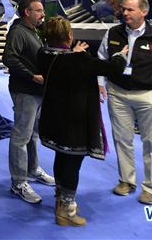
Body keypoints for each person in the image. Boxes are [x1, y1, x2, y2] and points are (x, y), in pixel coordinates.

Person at [38, 17, 128, 226]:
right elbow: (113, 69)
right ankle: (66, 211)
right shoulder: (79, 60)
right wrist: (120, 55)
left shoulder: (44, 54)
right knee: (72, 163)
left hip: (54, 118)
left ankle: (60, 199)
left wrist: (75, 53)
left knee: (61, 157)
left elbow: (64, 62)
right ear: (69, 36)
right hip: (74, 122)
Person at [97, 0, 152, 205]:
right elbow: (101, 58)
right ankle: (126, 181)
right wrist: (100, 81)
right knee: (122, 140)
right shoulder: (113, 33)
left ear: (143, 12)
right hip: (117, 93)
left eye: (130, 10)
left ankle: (151, 188)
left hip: (148, 96)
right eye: (123, 9)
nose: (124, 13)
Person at [2, 0, 55, 204]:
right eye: (39, 10)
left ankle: (32, 170)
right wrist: (32, 76)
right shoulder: (18, 32)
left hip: (36, 92)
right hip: (25, 91)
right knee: (21, 137)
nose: (43, 14)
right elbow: (9, 58)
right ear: (27, 12)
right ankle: (18, 183)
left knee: (32, 134)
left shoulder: (33, 32)